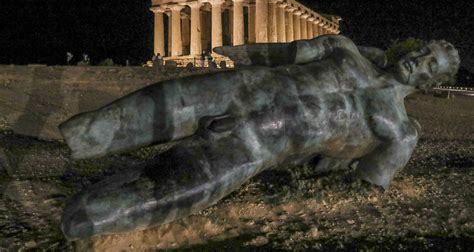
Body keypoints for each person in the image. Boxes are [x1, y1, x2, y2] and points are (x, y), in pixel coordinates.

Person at [60, 35, 460, 239]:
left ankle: (81, 214)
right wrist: (238, 50)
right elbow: (283, 54)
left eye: (430, 65)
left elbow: (369, 185)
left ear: (433, 81)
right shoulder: (344, 48)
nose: (417, 60)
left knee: (100, 213)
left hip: (256, 144)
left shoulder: (400, 131)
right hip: (235, 88)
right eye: (423, 50)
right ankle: (76, 143)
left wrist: (308, 187)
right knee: (95, 127)